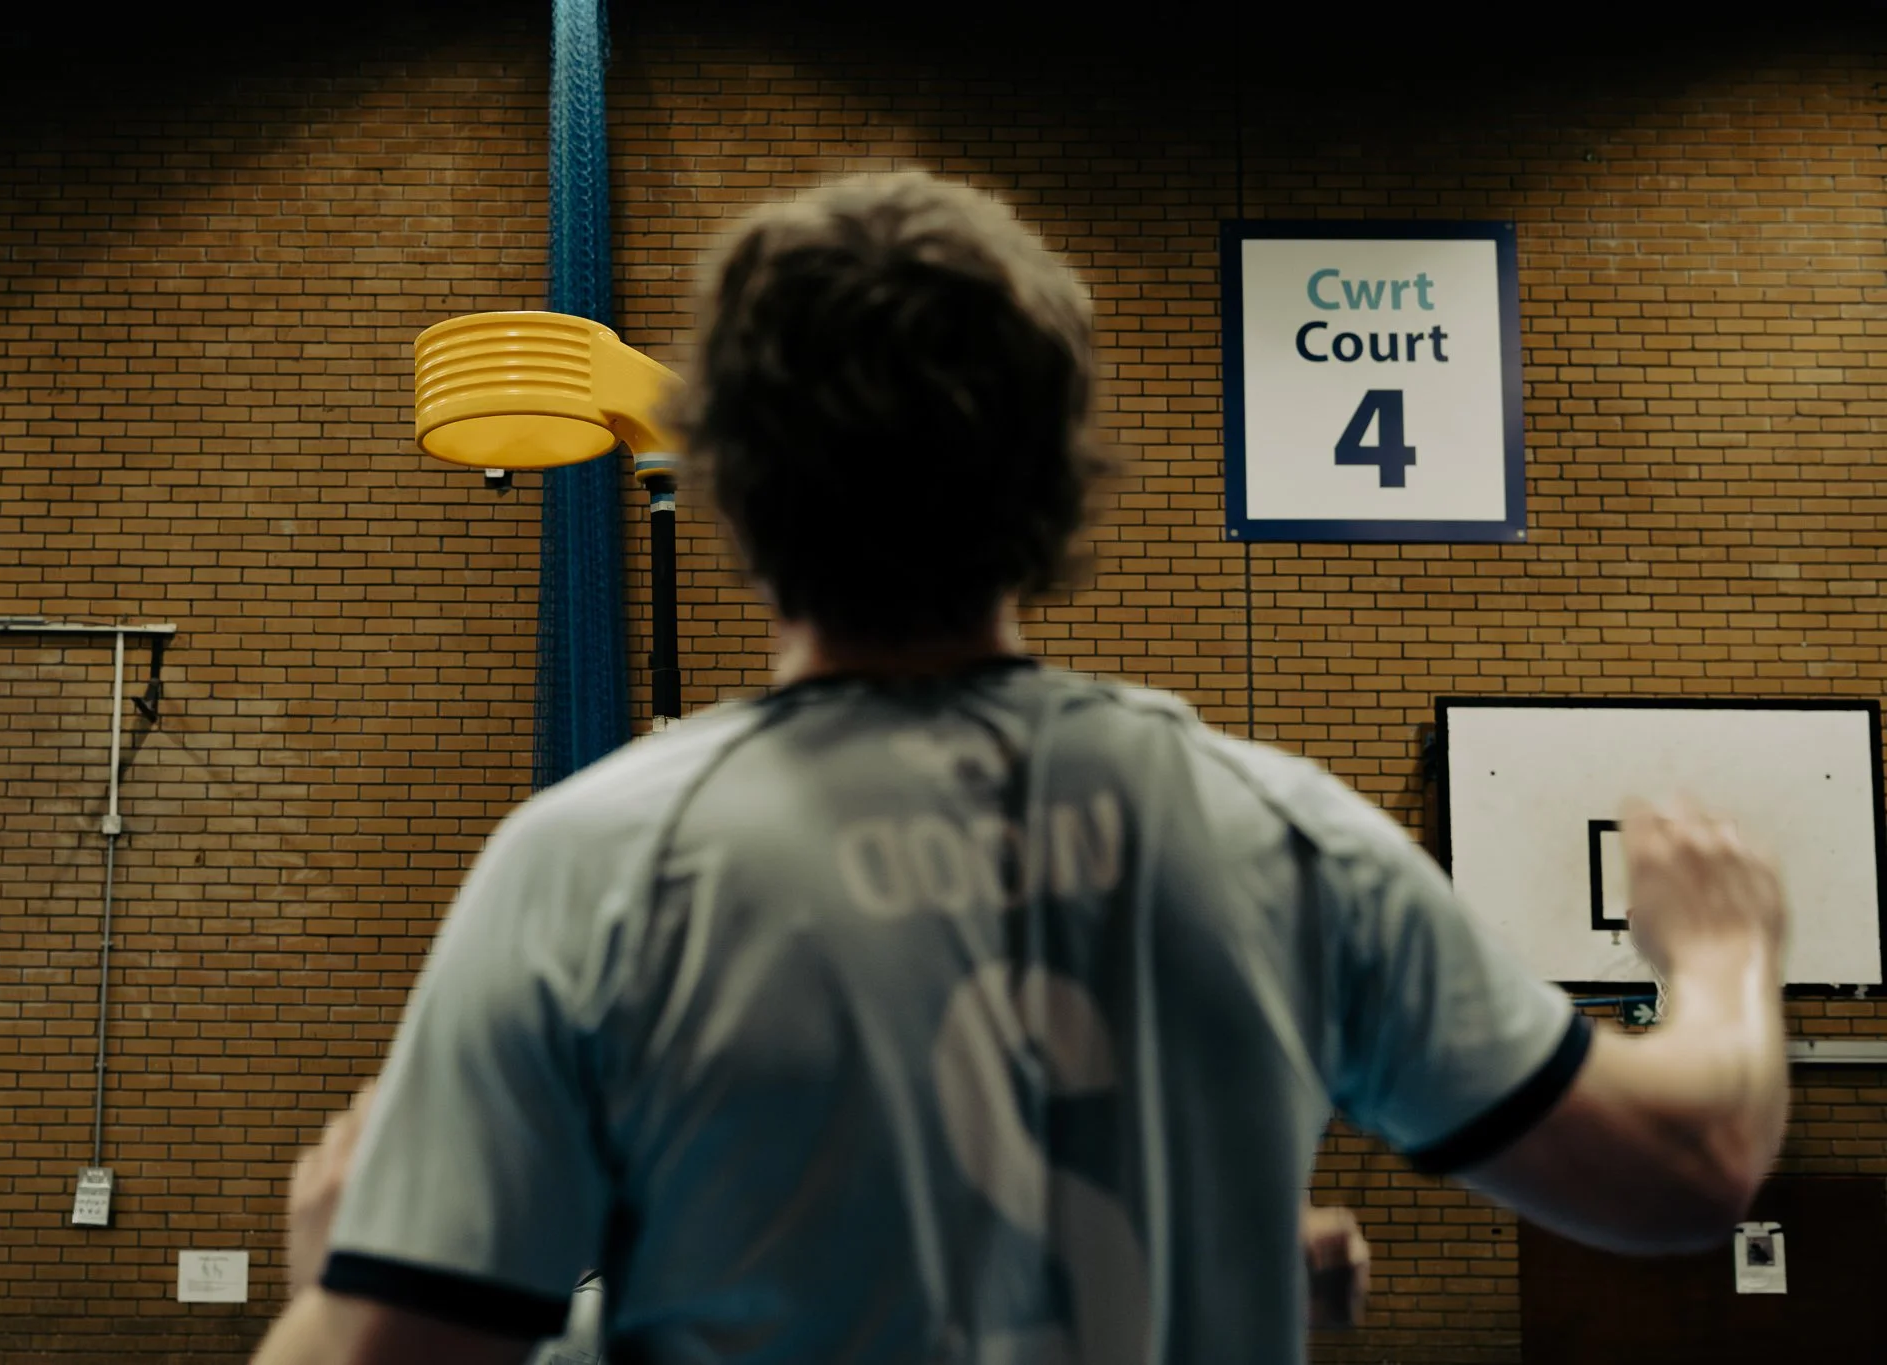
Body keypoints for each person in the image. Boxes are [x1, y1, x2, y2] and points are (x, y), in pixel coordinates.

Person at [251, 172, 1790, 1365]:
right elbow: (1692, 1160)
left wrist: (344, 1283)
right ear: (1055, 478)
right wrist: (1719, 952)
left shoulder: (594, 868)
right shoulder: (1283, 838)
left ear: (729, 484)